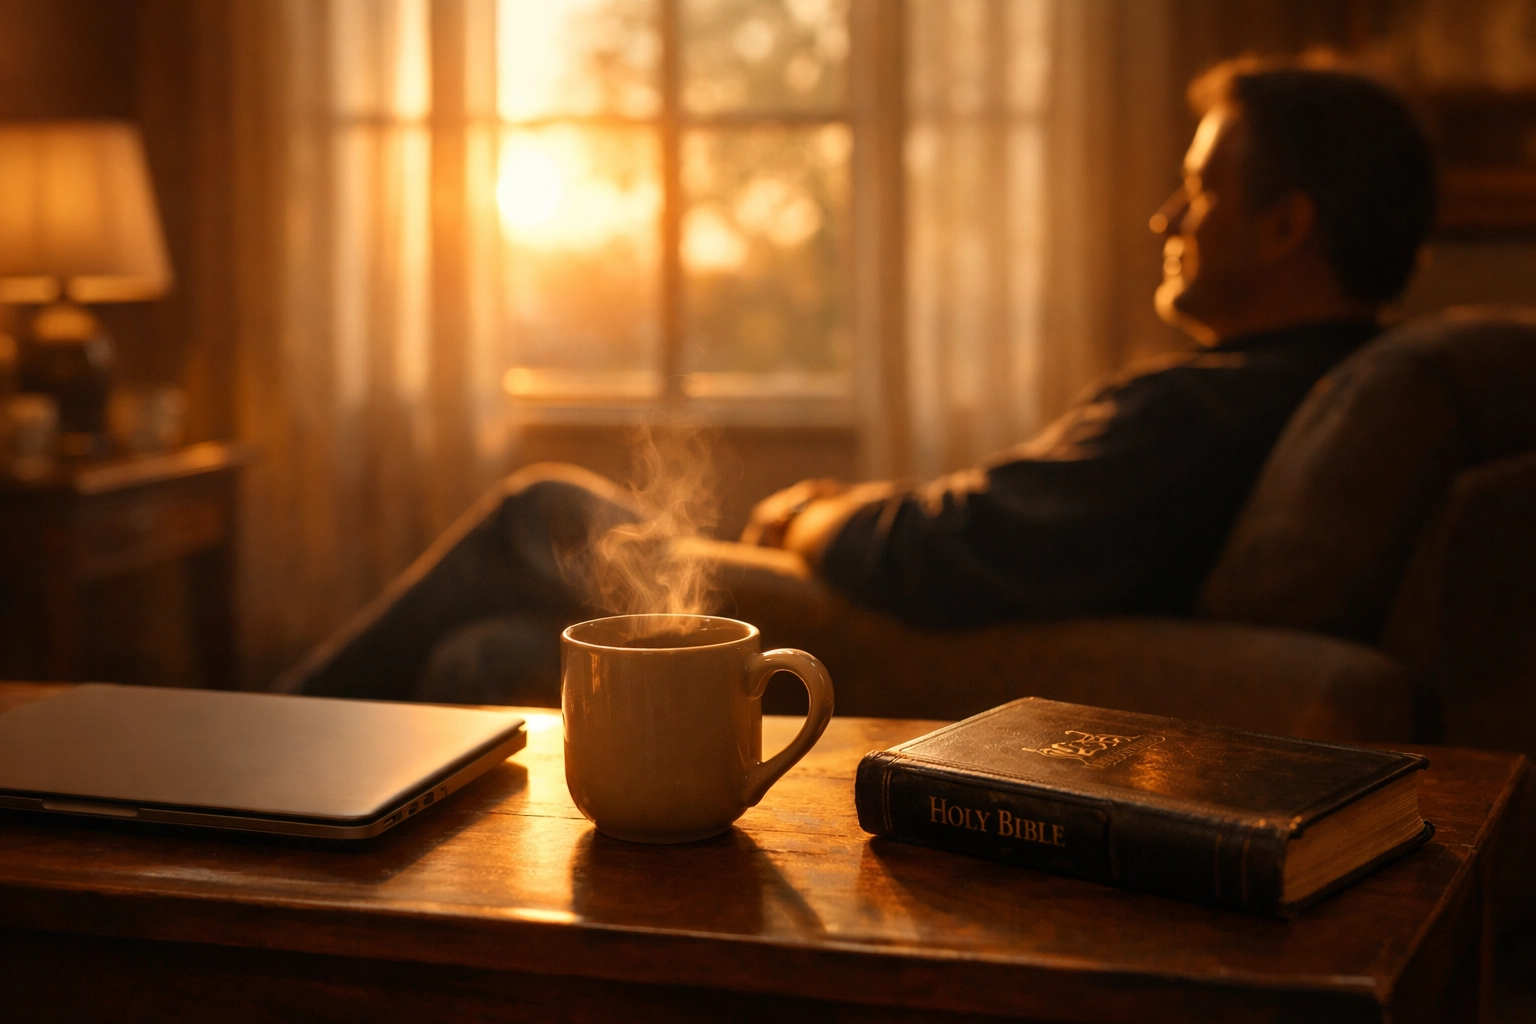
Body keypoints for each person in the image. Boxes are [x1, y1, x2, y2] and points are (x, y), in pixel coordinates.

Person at [282, 58, 1436, 703]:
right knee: (481, 662)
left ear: (1287, 225)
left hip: (917, 653)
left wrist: (827, 515)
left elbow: (958, 548)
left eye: (1202, 191)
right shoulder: (1299, 391)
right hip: (959, 616)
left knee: (543, 510)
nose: (1166, 217)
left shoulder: (1207, 409)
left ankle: (252, 741)